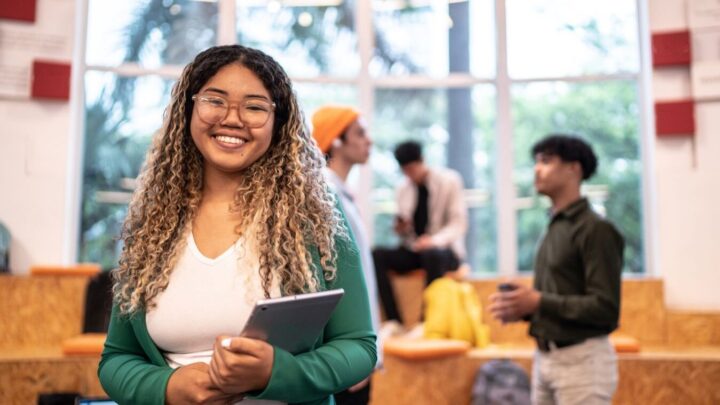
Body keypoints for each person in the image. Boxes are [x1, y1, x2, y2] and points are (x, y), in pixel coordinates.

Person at [97, 45, 376, 405]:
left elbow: (358, 346)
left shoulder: (313, 213)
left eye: (255, 107)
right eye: (215, 101)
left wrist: (275, 373)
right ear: (189, 110)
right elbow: (116, 358)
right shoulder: (155, 219)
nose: (232, 119)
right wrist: (168, 387)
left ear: (278, 122)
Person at [489, 134, 624, 405]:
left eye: (546, 161)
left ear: (574, 169)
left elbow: (605, 308)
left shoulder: (596, 229)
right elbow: (559, 299)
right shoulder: (555, 226)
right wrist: (524, 308)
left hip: (582, 364)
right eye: (536, 162)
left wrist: (538, 301)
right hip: (545, 359)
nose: (537, 169)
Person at [311, 105, 379, 405]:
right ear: (336, 141)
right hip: (343, 352)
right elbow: (331, 276)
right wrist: (348, 350)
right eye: (360, 133)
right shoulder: (324, 192)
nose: (369, 140)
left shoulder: (341, 192)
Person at [372, 140, 468, 328]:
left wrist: (434, 241)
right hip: (416, 250)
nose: (410, 174)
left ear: (422, 160)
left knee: (432, 255)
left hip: (444, 251)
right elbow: (406, 234)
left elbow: (458, 223)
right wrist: (401, 229)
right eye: (405, 171)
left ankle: (426, 322)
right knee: (377, 255)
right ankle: (394, 321)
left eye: (412, 169)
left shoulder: (450, 180)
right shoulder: (403, 189)